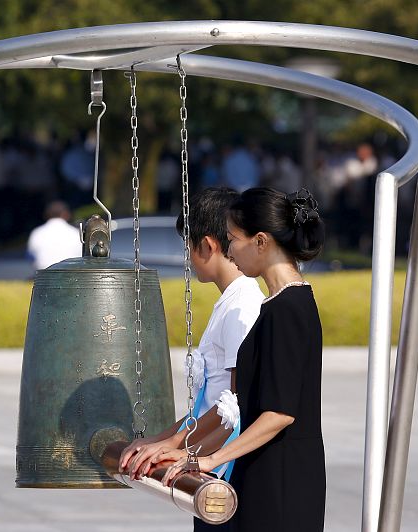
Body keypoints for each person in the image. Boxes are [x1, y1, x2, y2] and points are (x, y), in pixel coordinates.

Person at [155, 187, 326, 532]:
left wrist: (209, 459)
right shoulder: (277, 305)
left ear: (261, 242)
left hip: (282, 477)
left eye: (233, 239)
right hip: (265, 471)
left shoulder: (287, 309)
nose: (230, 250)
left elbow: (279, 413)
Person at [118, 187, 266, 532]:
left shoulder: (243, 306)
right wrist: (162, 441)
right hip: (209, 458)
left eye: (189, 245)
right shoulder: (230, 302)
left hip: (226, 465)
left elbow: (235, 405)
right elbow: (209, 403)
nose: (187, 255)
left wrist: (184, 451)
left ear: (208, 245)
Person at [26, 200, 82, 270]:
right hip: (69, 273)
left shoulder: (37, 232)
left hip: (43, 274)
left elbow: (30, 257)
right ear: (66, 214)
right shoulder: (75, 233)